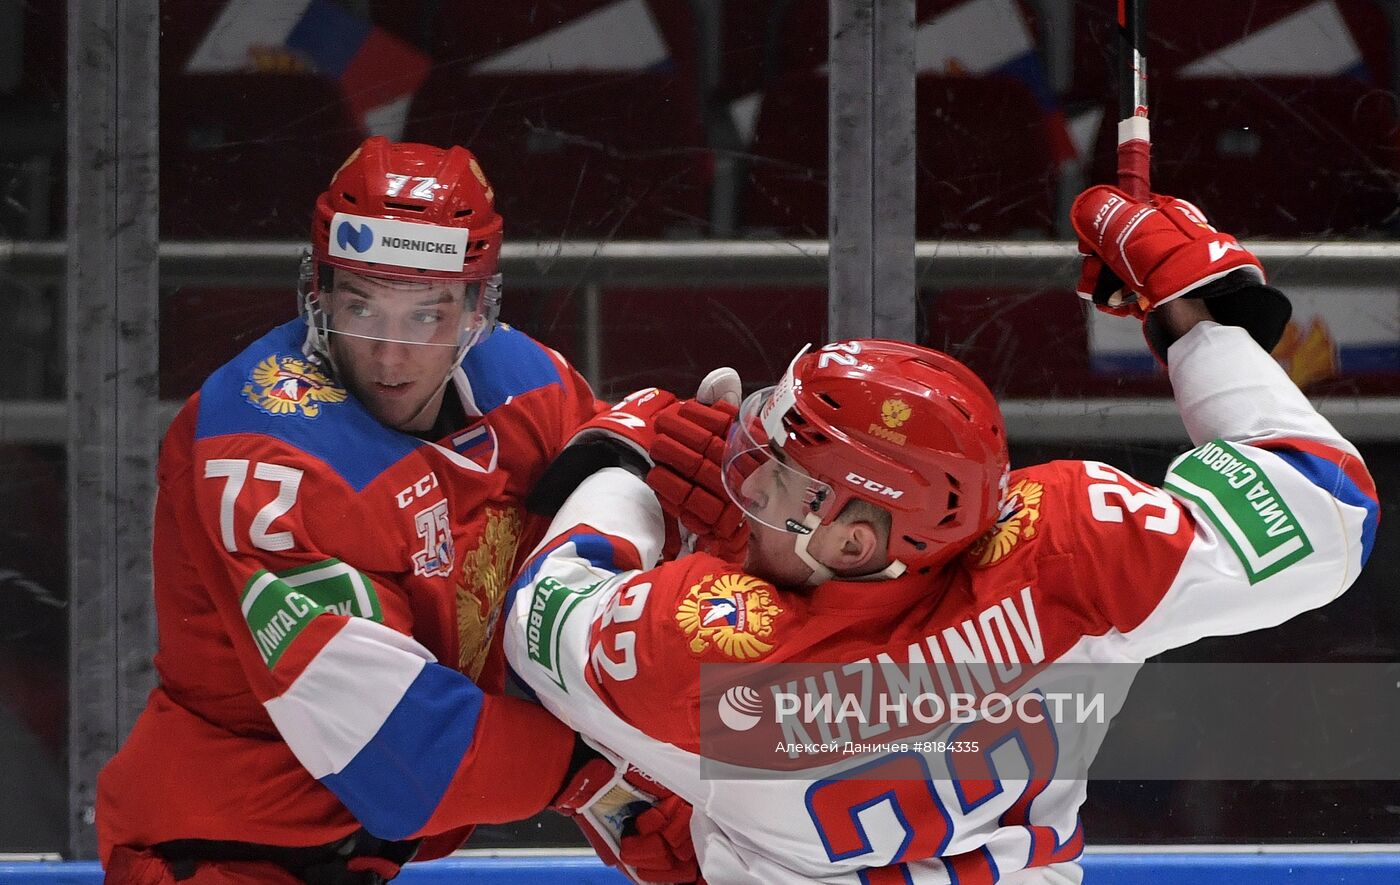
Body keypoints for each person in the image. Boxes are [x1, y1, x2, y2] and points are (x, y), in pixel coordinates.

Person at [502, 185, 1380, 883]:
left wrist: (623, 464)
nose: (751, 483)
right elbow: (1327, 510)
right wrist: (1201, 324)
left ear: (853, 545)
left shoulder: (700, 649)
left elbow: (541, 609)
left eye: (782, 475)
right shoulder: (1069, 542)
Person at [96, 136, 687, 884]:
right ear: (317, 293)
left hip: (365, 855)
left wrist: (704, 477)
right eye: (361, 306)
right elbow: (398, 752)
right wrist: (615, 777)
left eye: (426, 315)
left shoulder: (524, 383)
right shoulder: (261, 460)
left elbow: (617, 519)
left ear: (476, 309)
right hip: (219, 853)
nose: (389, 356)